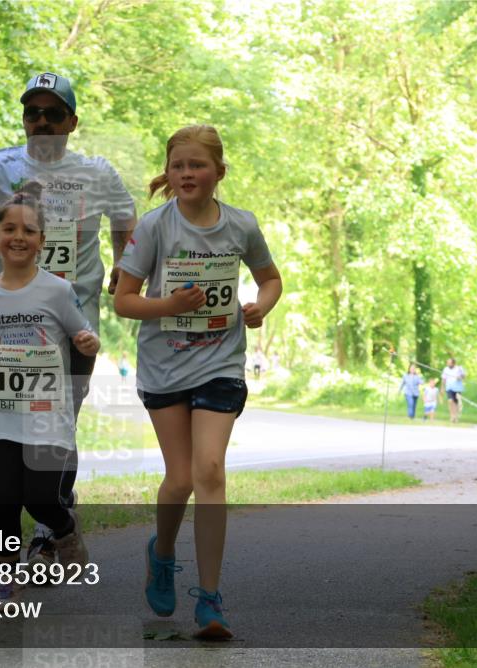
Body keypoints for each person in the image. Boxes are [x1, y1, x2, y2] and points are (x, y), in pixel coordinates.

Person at [0, 72, 136, 566]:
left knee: (60, 424)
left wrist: (123, 264)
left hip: (74, 320)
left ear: (72, 122)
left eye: (54, 113)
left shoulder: (97, 172)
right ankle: (38, 531)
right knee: (14, 422)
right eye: (33, 112)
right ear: (24, 118)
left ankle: (52, 526)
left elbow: (125, 217)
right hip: (15, 321)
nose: (42, 121)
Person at [114, 125, 282, 639]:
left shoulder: (241, 225)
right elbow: (123, 300)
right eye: (178, 166)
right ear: (169, 174)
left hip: (220, 363)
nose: (187, 173)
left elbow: (270, 277)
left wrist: (259, 307)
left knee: (210, 470)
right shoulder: (154, 227)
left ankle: (209, 600)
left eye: (197, 165)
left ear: (219, 173)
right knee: (181, 479)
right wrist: (169, 305)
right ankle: (161, 553)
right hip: (165, 366)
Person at [0, 183, 99, 603]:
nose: (18, 237)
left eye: (29, 230)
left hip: (47, 414)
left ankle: (67, 530)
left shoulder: (57, 290)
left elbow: (82, 335)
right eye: (9, 229)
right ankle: (7, 575)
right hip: (1, 414)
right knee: (1, 502)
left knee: (39, 498)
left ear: (41, 241)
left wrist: (89, 344)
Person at [441, 357, 466, 423]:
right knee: (450, 401)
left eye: (449, 363)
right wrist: (442, 388)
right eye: (447, 363)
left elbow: (464, 376)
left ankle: (456, 416)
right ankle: (452, 415)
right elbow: (443, 379)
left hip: (457, 388)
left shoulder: (459, 368)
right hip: (449, 387)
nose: (448, 364)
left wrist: (460, 377)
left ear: (453, 363)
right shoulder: (445, 369)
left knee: (456, 402)